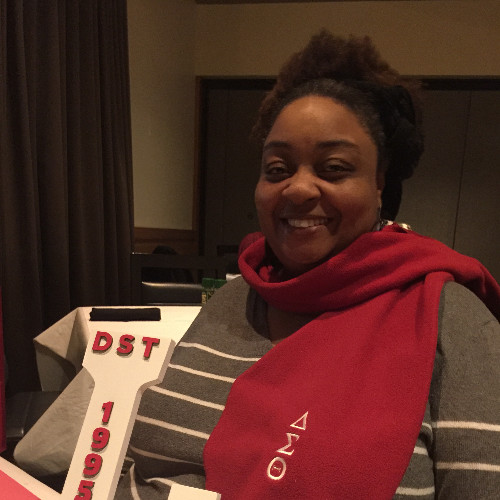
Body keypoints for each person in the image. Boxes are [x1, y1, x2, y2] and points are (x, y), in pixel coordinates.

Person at [115, 32, 500, 499]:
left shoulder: (451, 319)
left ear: (380, 182)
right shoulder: (236, 297)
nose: (298, 189)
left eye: (333, 168)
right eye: (277, 169)